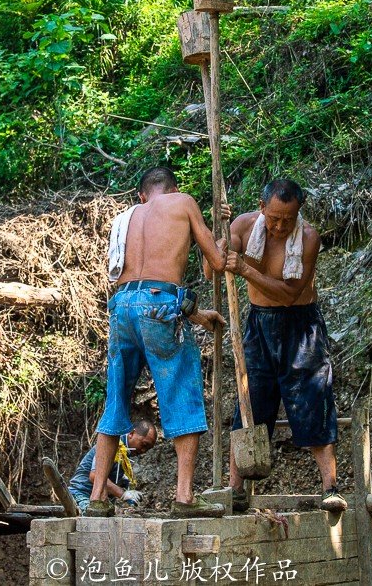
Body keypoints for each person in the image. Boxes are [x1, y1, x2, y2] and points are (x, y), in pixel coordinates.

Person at [87, 167, 228, 518]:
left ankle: (96, 499)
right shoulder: (183, 202)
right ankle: (184, 496)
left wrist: (197, 314)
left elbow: (141, 288)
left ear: (141, 196)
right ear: (174, 189)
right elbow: (217, 264)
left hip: (121, 306)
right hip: (160, 303)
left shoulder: (125, 218)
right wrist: (221, 236)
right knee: (181, 394)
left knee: (115, 401)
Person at [213, 178, 346, 513]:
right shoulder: (243, 226)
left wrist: (243, 267)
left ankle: (330, 486)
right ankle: (236, 487)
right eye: (273, 218)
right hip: (259, 324)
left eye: (288, 219)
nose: (279, 225)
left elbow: (289, 294)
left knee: (313, 398)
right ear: (262, 208)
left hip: (300, 324)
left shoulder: (309, 238)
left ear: (298, 212)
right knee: (250, 400)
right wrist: (220, 235)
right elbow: (212, 266)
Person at [67, 420, 158, 512]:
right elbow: (95, 476)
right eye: (144, 445)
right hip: (81, 494)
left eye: (148, 449)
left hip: (100, 499)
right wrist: (123, 494)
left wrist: (130, 498)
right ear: (131, 433)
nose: (143, 450)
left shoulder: (126, 454)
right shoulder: (113, 444)